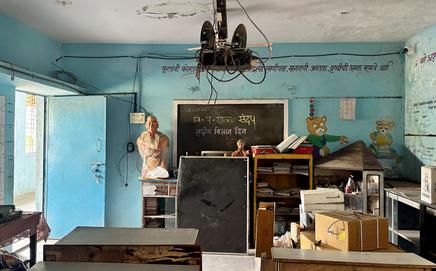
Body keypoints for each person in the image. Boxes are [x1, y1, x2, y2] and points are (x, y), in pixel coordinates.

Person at [137, 115, 169, 179]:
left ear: (157, 125)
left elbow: (159, 147)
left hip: (159, 167)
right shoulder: (141, 138)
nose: (151, 126)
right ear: (146, 125)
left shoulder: (164, 137)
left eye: (153, 124)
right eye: (149, 124)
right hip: (147, 167)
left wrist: (153, 144)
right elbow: (146, 151)